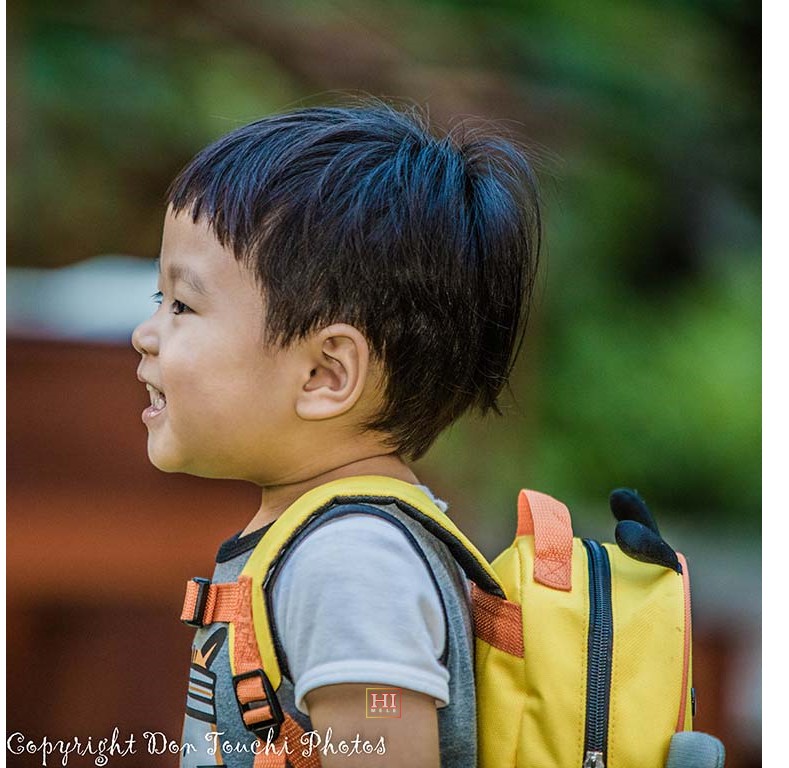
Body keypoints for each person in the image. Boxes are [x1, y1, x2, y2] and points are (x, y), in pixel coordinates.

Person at [131, 99, 541, 768]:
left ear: (325, 373)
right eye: (159, 300)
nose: (144, 334)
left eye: (182, 304)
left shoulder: (351, 565)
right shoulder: (329, 546)